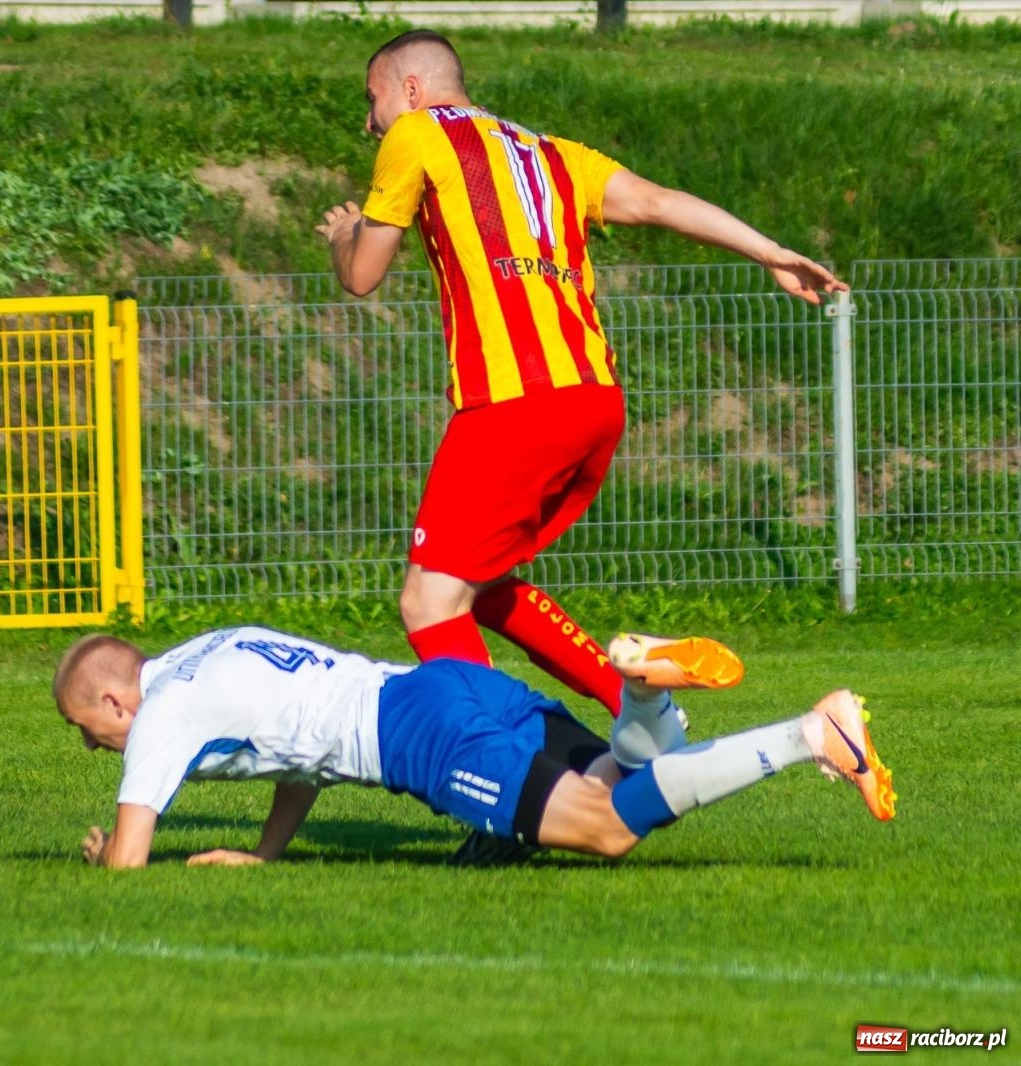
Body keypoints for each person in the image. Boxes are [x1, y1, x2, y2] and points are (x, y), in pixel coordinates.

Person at [315, 30, 848, 719]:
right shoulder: (552, 154)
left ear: (411, 90)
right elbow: (657, 203)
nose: (370, 120)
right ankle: (637, 704)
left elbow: (362, 275)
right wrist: (769, 251)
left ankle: (501, 768)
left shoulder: (415, 134)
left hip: (513, 404)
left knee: (426, 601)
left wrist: (341, 238)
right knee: (480, 584)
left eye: (373, 99)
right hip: (592, 402)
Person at [52, 626, 896, 869]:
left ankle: (808, 733)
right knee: (620, 770)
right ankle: (640, 686)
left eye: (91, 733)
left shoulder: (162, 713)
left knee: (605, 828)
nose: (99, 752)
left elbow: (129, 860)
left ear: (117, 700)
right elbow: (299, 753)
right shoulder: (207, 649)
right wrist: (267, 854)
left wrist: (102, 859)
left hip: (418, 735)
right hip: (445, 682)